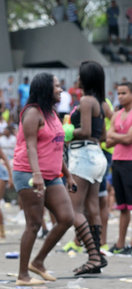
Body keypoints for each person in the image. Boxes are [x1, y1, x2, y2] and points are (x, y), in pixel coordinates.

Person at [13, 73, 75, 286]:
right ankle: (23, 275)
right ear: (46, 89)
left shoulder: (52, 113)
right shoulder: (32, 113)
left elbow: (57, 146)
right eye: (57, 86)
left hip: (52, 176)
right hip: (29, 173)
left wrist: (67, 174)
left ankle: (38, 262)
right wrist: (36, 175)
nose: (60, 89)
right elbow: (30, 145)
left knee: (67, 217)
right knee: (34, 223)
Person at [67, 61, 108, 275]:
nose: (77, 78)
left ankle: (92, 257)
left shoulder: (85, 101)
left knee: (73, 209)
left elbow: (85, 130)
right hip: (97, 156)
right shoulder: (101, 103)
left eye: (80, 75)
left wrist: (66, 131)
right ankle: (97, 254)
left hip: (83, 155)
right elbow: (102, 135)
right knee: (93, 207)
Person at [106, 82, 132, 253]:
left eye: (124, 93)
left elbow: (129, 140)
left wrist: (118, 137)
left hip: (130, 162)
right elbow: (108, 139)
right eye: (119, 93)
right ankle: (120, 244)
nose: (120, 96)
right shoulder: (117, 114)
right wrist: (121, 136)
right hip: (117, 161)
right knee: (122, 207)